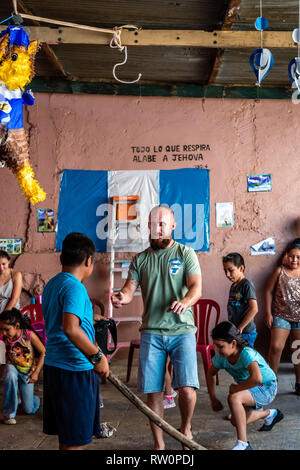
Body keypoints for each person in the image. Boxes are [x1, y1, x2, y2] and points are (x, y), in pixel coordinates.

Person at [111, 204, 202, 450]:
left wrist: (184, 302)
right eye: (153, 224)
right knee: (153, 392)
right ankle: (159, 444)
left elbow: (196, 287)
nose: (157, 229)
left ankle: (185, 429)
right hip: (151, 331)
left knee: (187, 390)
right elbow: (130, 290)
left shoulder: (185, 254)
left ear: (173, 226)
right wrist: (121, 297)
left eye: (162, 224)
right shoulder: (140, 259)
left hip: (182, 330)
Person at [42, 232, 109, 450]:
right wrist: (97, 357)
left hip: (56, 366)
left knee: (69, 437)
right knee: (75, 442)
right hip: (74, 370)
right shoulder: (75, 287)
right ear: (89, 260)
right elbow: (70, 328)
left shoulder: (53, 284)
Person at [207, 321, 283, 451]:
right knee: (236, 421)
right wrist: (213, 398)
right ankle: (270, 414)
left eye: (220, 346)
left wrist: (236, 388)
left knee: (234, 397)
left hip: (267, 386)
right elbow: (210, 374)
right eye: (216, 346)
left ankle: (243, 444)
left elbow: (257, 378)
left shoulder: (246, 354)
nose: (217, 350)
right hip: (250, 388)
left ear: (233, 343)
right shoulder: (222, 357)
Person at [265, 240, 300, 394]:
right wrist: (268, 313)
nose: (294, 260)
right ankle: (270, 381)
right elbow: (267, 291)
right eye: (291, 256)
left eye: (298, 257)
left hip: (299, 318)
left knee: (297, 349)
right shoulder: (280, 271)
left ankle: (299, 382)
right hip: (280, 315)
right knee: (276, 347)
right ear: (286, 256)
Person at [0, 308, 45, 424]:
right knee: (9, 372)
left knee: (29, 410)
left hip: (28, 372)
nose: (3, 333)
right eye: (1, 329)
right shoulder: (4, 338)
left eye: (6, 329)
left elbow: (44, 352)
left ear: (17, 326)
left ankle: (32, 399)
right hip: (13, 368)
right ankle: (8, 414)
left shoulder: (29, 335)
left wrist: (36, 373)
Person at [223, 253, 258, 347]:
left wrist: (240, 327)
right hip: (236, 331)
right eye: (225, 271)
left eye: (230, 270)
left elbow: (254, 309)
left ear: (241, 268)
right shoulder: (233, 286)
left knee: (246, 358)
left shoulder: (247, 285)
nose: (227, 274)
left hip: (246, 332)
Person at [0, 250, 22, 367]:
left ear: (9, 262)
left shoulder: (16, 275)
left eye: (3, 264)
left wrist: (2, 318)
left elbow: (14, 299)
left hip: (11, 314)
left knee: (10, 341)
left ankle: (12, 367)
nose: (1, 268)